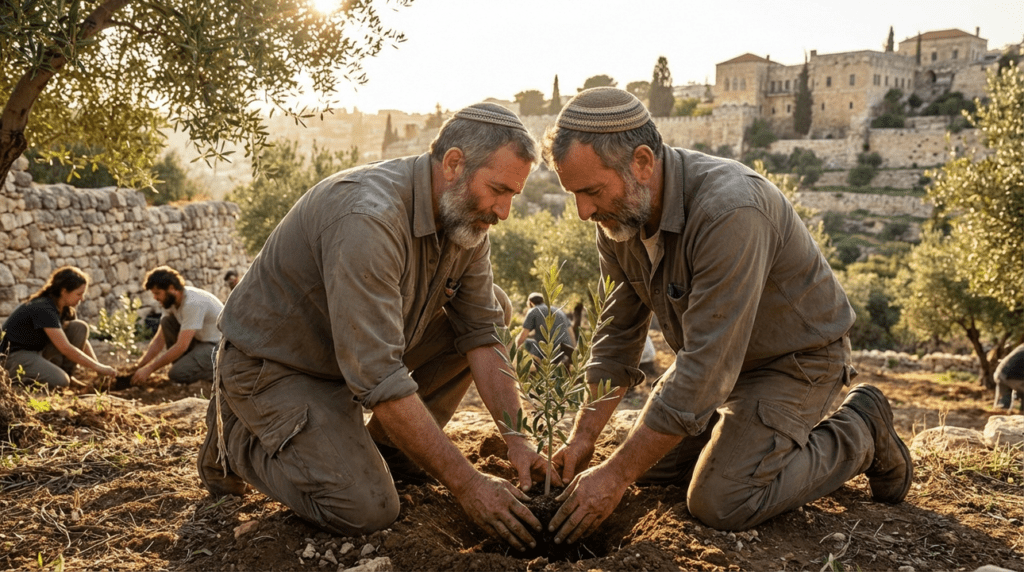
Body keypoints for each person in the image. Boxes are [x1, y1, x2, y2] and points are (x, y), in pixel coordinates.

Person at [539, 88, 912, 542]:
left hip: (794, 363)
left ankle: (862, 431)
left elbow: (704, 368)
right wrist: (583, 439)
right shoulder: (620, 218)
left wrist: (614, 476)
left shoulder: (730, 209)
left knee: (719, 500)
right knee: (653, 470)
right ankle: (735, 433)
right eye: (573, 194)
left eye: (591, 191)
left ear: (641, 162)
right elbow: (618, 336)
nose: (583, 211)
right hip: (721, 369)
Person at [197, 102, 553, 551]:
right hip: (278, 368)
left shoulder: (465, 218)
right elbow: (379, 376)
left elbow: (481, 332)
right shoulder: (367, 218)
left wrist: (517, 439)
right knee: (365, 509)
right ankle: (239, 437)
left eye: (513, 197)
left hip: (351, 364)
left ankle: (389, 454)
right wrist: (468, 484)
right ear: (453, 164)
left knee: (494, 306)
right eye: (498, 190)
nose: (504, 212)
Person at [1, 266, 117, 388]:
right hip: (15, 356)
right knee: (61, 381)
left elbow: (81, 341)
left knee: (79, 327)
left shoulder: (65, 309)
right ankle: (17, 381)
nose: (82, 299)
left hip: (37, 351)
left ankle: (67, 376)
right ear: (64, 291)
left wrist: (99, 369)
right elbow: (65, 348)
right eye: (79, 294)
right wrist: (98, 367)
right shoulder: (44, 307)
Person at [132, 266, 224, 385]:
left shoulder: (192, 303)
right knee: (167, 322)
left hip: (218, 347)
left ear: (171, 289)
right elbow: (159, 340)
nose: (155, 298)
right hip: (201, 342)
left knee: (176, 374)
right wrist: (140, 366)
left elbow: (182, 346)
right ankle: (186, 366)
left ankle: (221, 372)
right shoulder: (170, 302)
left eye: (157, 293)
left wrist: (150, 369)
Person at [516, 292, 576, 365]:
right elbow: (571, 332)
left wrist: (515, 348)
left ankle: (539, 368)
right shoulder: (559, 310)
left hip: (552, 351)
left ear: (530, 303)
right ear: (543, 301)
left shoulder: (533, 311)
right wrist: (574, 352)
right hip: (567, 350)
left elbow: (522, 337)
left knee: (526, 343)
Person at [994, 344, 1024, 412]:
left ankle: (1002, 410)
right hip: (1010, 377)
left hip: (999, 374)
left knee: (1004, 402)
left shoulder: (1021, 347)